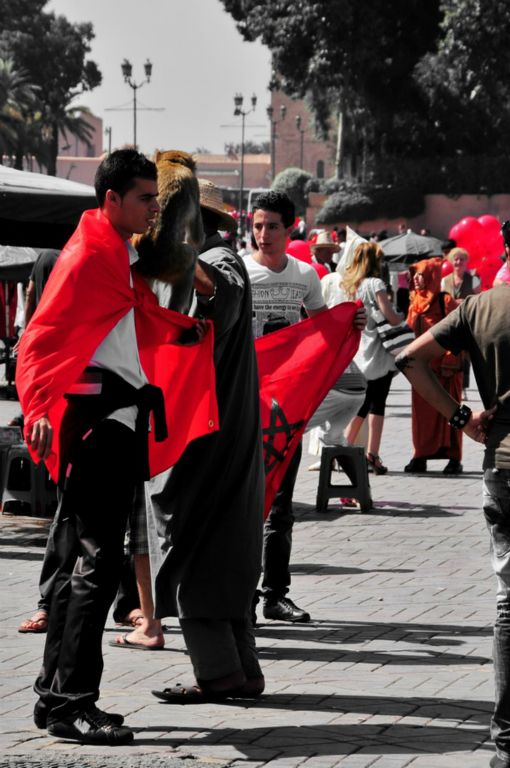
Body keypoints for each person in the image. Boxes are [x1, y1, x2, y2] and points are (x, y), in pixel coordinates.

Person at [16, 149, 164, 745]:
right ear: (112, 200)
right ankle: (72, 702)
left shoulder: (115, 253)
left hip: (114, 421)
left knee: (84, 562)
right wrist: (37, 411)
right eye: (145, 198)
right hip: (99, 426)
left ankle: (53, 695)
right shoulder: (87, 257)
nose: (153, 208)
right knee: (96, 565)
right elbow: (38, 340)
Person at [148, 179, 265, 702]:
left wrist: (178, 255)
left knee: (194, 549)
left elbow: (219, 290)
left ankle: (219, 674)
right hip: (219, 433)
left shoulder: (218, 261)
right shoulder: (216, 259)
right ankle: (242, 669)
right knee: (225, 551)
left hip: (207, 438)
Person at [394, 281, 510, 768]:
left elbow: (409, 359)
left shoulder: (481, 307)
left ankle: (508, 741)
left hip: (503, 465)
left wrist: (461, 417)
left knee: (509, 603)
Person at [341, 242, 402, 474]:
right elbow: (391, 317)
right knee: (378, 404)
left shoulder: (350, 285)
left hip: (359, 353)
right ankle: (372, 455)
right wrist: (401, 316)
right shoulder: (375, 283)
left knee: (362, 405)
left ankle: (343, 449)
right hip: (379, 353)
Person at [404, 257, 463, 474]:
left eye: (420, 275)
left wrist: (450, 358)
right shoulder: (414, 302)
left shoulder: (444, 300)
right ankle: (420, 456)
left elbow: (458, 330)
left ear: (431, 277)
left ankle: (454, 458)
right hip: (421, 370)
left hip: (445, 369)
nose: (416, 279)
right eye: (415, 275)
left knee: (451, 412)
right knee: (422, 416)